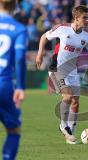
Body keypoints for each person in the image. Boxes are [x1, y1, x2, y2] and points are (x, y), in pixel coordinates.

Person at [35, 5, 88, 144]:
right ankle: (63, 126)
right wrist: (40, 54)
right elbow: (44, 37)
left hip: (72, 71)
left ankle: (71, 133)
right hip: (57, 68)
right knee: (68, 96)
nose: (87, 20)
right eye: (85, 17)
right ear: (76, 18)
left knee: (76, 102)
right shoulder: (62, 28)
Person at [0, 0, 28, 159]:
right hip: (3, 85)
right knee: (13, 130)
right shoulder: (19, 29)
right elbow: (19, 59)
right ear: (15, 6)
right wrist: (20, 87)